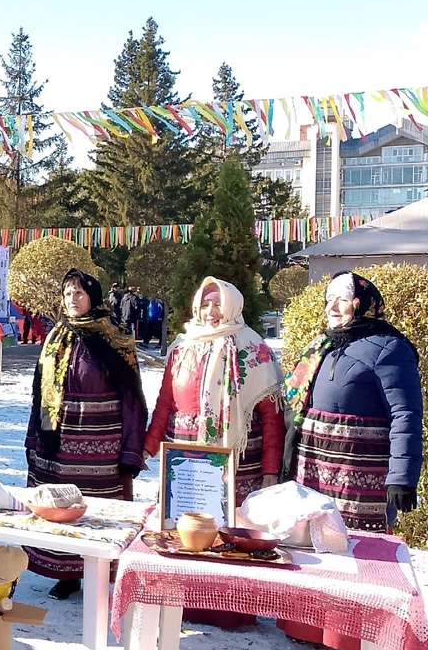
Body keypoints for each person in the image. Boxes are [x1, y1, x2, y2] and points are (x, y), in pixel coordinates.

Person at [277, 271, 423, 650]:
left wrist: (402, 476)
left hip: (362, 472)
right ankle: (306, 625)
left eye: (341, 298)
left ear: (362, 302)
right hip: (315, 464)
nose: (332, 306)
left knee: (355, 552)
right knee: (312, 544)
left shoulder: (390, 348)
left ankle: (356, 638)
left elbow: (406, 413)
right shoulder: (322, 345)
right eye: (329, 299)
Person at [144, 277, 284, 628]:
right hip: (186, 456)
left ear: (232, 306)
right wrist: (146, 447)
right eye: (205, 304)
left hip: (236, 460)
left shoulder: (254, 350)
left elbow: (271, 416)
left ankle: (228, 608)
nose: (210, 311)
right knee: (184, 528)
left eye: (217, 303)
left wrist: (270, 469)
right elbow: (165, 403)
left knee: (229, 531)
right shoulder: (181, 347)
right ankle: (186, 601)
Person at [25, 268, 147, 599]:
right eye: (67, 294)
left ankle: (95, 568)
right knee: (63, 505)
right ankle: (66, 575)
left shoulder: (115, 336)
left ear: (93, 296)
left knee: (96, 508)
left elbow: (133, 395)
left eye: (79, 293)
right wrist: (35, 436)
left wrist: (131, 448)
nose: (72, 300)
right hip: (60, 441)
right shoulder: (55, 337)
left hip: (101, 441)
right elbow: (41, 392)